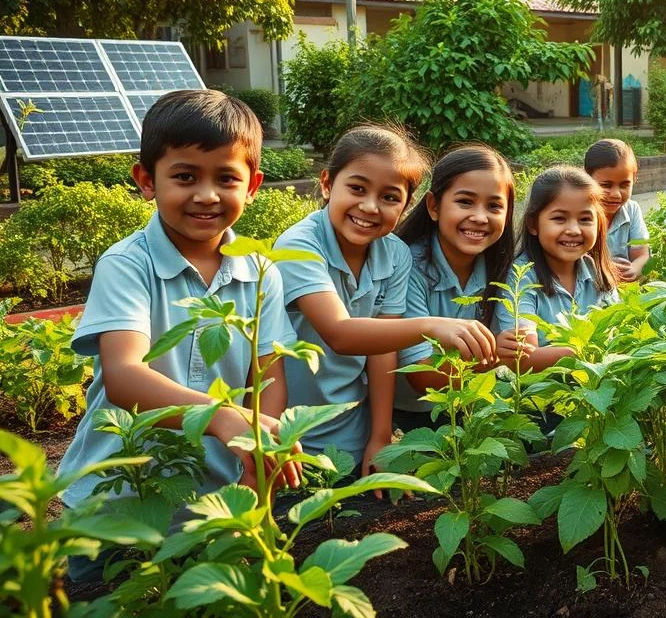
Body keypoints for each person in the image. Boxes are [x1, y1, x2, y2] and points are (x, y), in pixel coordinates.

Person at [57, 90, 302, 579]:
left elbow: (269, 372)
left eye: (226, 178)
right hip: (120, 495)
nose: (207, 195)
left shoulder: (262, 269)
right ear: (146, 180)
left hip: (215, 496)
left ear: (252, 186)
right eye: (185, 176)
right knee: (104, 599)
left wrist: (260, 450)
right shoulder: (128, 264)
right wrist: (221, 415)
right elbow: (124, 376)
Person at [274, 126, 496, 483]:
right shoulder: (299, 245)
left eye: (390, 197)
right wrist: (432, 325)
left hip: (352, 428)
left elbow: (383, 351)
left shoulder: (394, 254)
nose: (370, 206)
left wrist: (379, 438)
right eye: (357, 189)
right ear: (327, 183)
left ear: (406, 205)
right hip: (290, 435)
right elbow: (340, 334)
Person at [391, 144, 516, 432]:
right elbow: (422, 375)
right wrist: (496, 353)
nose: (480, 217)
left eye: (494, 206)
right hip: (408, 414)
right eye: (465, 202)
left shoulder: (503, 268)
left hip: (472, 404)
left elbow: (520, 346)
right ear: (434, 206)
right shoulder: (409, 264)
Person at [495, 167, 619, 371]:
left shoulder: (598, 274)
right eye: (559, 218)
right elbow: (524, 359)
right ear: (533, 224)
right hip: (539, 398)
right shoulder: (521, 278)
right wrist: (591, 349)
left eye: (585, 219)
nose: (573, 230)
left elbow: (621, 331)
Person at [584, 138, 649, 282]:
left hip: (625, 286)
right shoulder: (580, 213)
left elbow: (641, 254)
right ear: (587, 180)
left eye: (624, 185)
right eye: (606, 185)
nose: (616, 194)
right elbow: (574, 259)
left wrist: (635, 268)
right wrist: (606, 267)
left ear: (634, 180)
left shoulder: (631, 209)